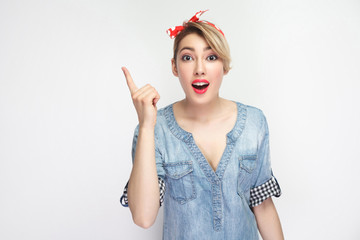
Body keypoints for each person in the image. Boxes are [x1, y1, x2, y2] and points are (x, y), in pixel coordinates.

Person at [120, 10, 284, 240]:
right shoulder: (154, 131)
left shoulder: (255, 123)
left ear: (224, 66)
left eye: (211, 57)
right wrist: (146, 126)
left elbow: (263, 207)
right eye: (187, 57)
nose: (199, 68)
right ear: (175, 67)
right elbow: (144, 217)